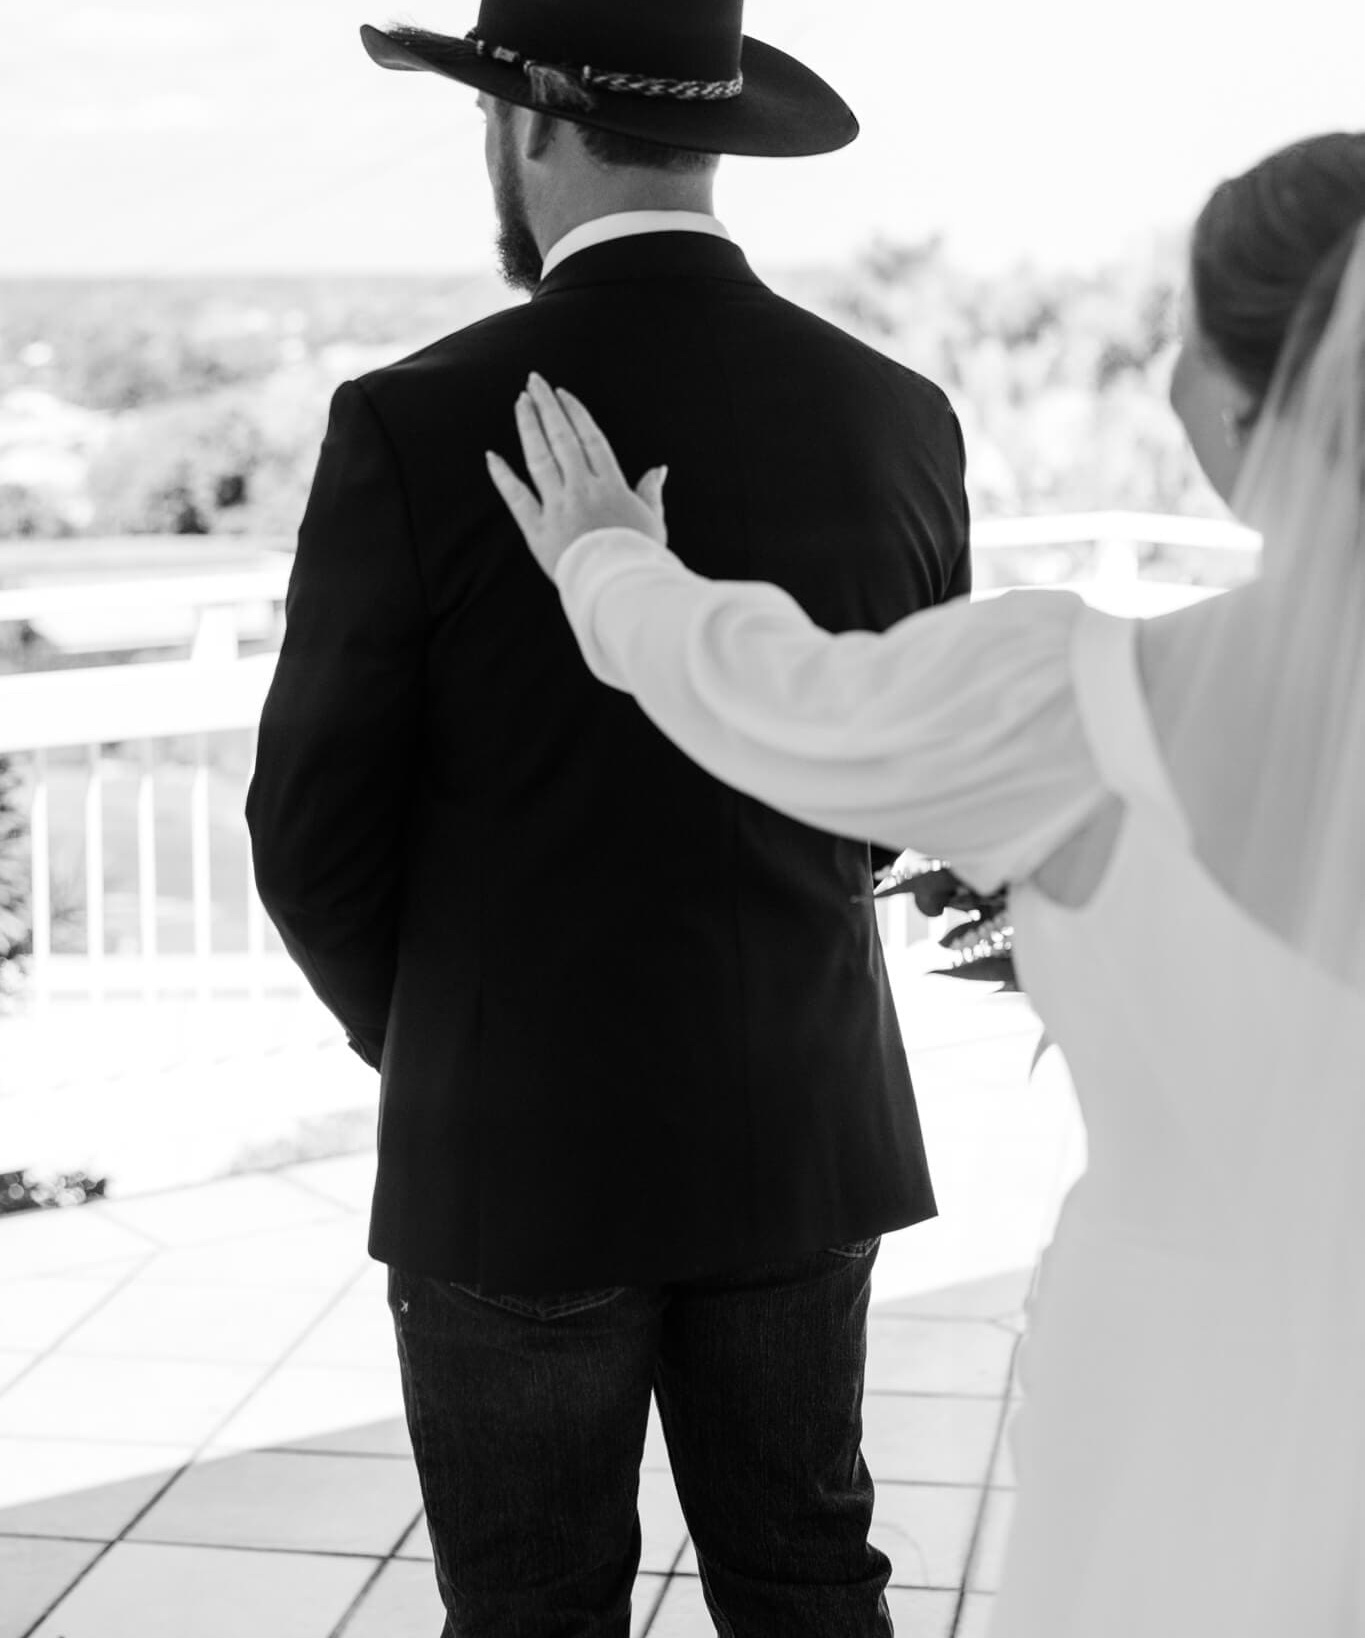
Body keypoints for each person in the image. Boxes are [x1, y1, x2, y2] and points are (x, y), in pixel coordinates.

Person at [489, 131, 1365, 1636]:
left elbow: (770, 694)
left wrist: (607, 562)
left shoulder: (1076, 713)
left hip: (1179, 1400)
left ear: (1239, 403)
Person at [245, 0, 974, 1637]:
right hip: (799, 1121)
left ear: (524, 127)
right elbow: (900, 771)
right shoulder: (897, 415)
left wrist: (443, 1037)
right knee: (809, 1588)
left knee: (530, 1614)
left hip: (515, 1148)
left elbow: (308, 832)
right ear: (714, 135)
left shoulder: (412, 419)